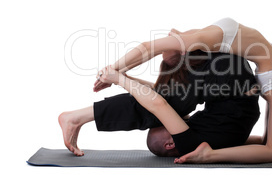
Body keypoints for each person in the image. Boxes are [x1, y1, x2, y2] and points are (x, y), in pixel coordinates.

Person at [94, 17, 272, 163]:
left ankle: (211, 154)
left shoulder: (198, 40)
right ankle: (212, 153)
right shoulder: (200, 39)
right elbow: (149, 52)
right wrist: (117, 74)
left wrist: (114, 72)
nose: (163, 46)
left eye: (164, 50)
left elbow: (148, 49)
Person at [59, 51, 259, 157]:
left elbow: (160, 100)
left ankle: (77, 118)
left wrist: (125, 79)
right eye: (164, 124)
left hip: (230, 75)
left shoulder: (205, 142)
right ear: (171, 143)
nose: (172, 119)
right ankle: (76, 118)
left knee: (159, 102)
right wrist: (120, 80)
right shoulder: (189, 144)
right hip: (225, 72)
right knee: (157, 106)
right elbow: (159, 105)